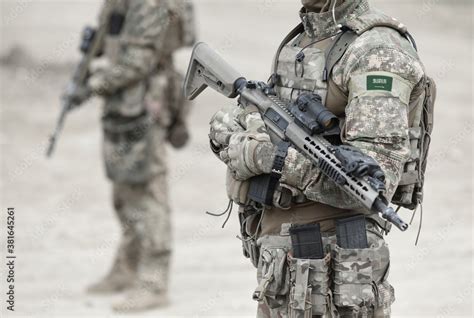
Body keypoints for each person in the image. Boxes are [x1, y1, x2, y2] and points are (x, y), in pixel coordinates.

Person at [209, 0, 429, 316]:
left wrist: (266, 156)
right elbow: (267, 116)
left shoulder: (377, 50)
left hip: (337, 272)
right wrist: (235, 127)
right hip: (281, 268)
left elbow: (375, 180)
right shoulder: (303, 39)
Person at [65, 0, 195, 312]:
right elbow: (112, 42)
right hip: (123, 105)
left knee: (148, 192)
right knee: (124, 191)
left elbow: (139, 61)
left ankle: (153, 281)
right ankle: (127, 267)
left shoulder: (150, 3)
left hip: (145, 106)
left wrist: (92, 86)